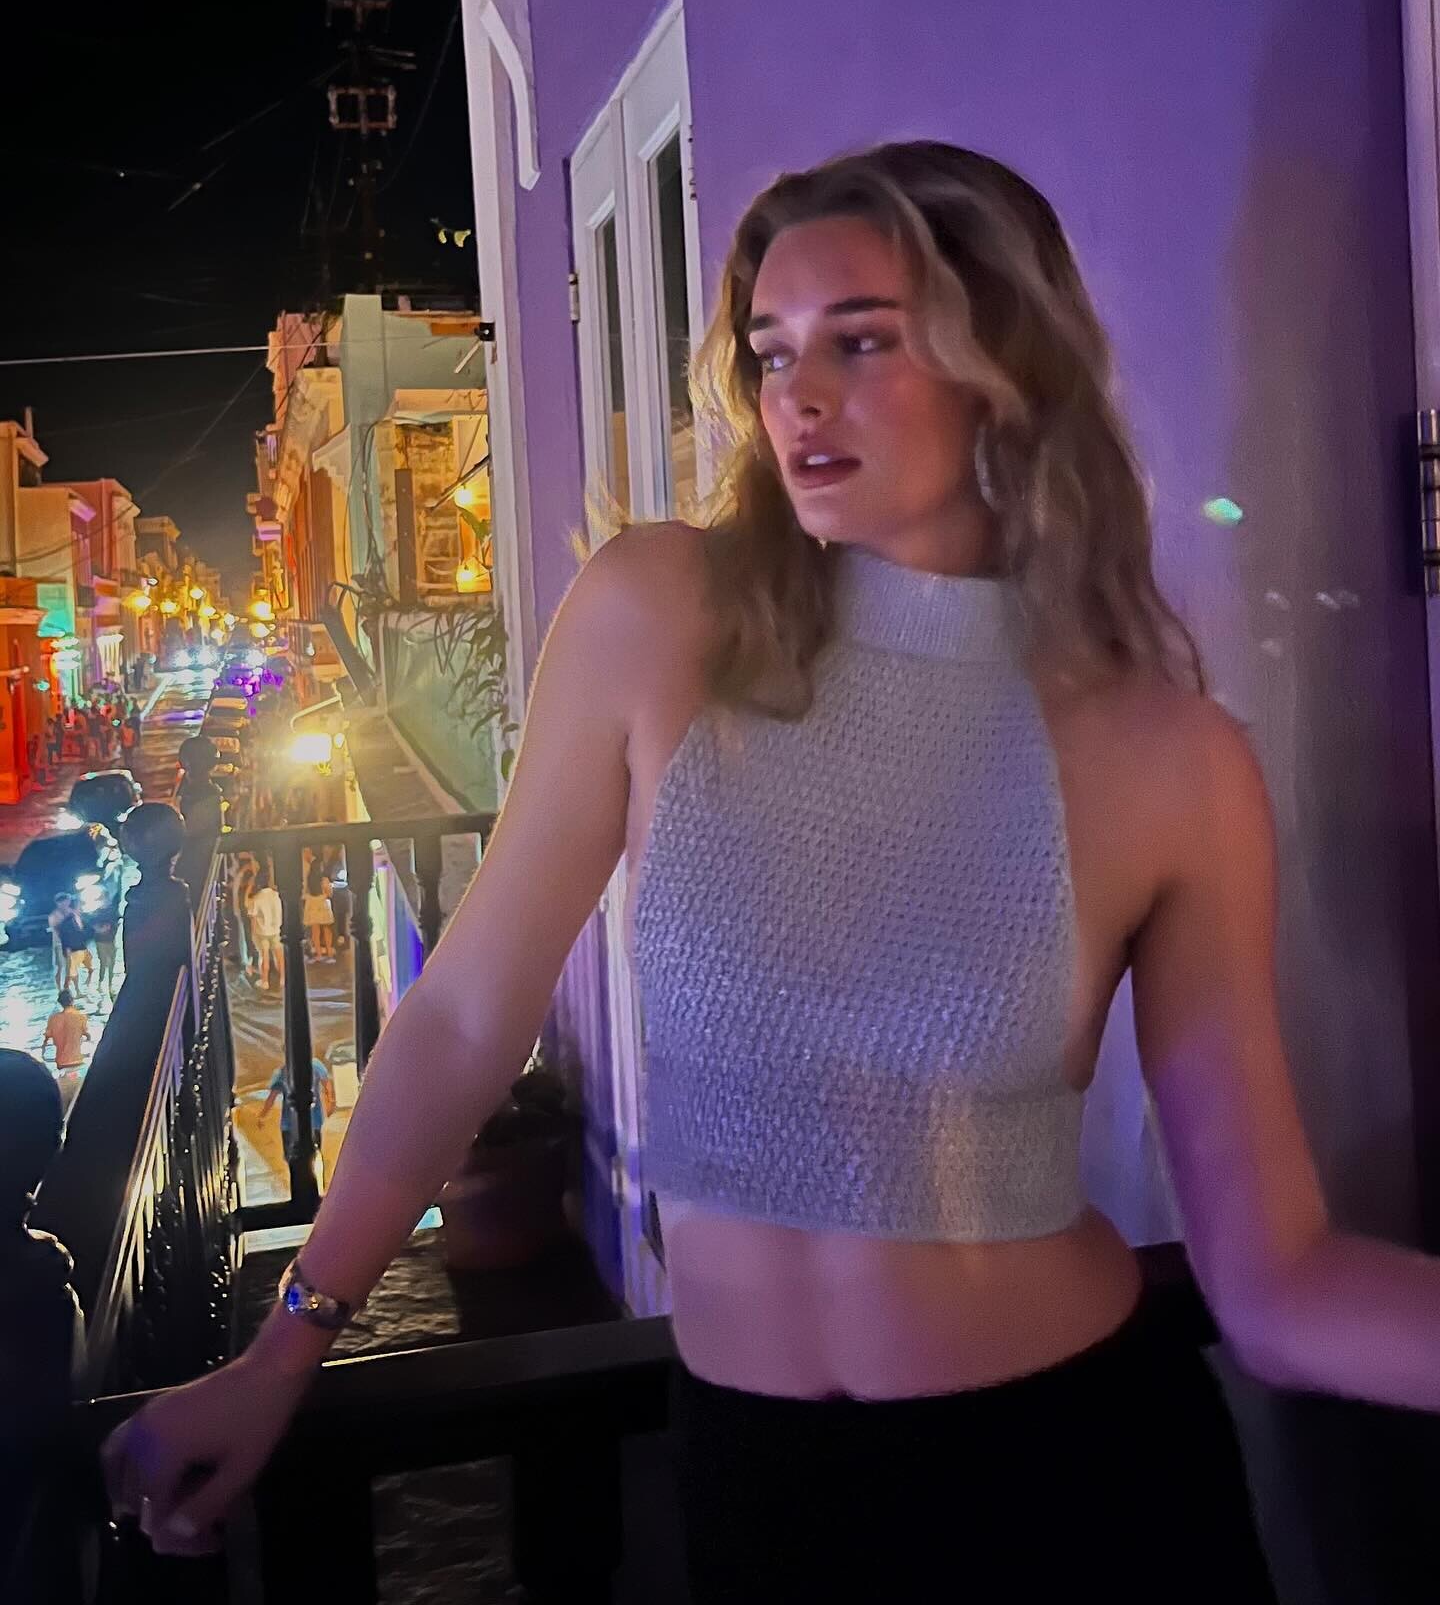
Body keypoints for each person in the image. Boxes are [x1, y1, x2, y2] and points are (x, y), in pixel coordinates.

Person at [103, 142, 1440, 1593]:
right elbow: (468, 1015)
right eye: (772, 349)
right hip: (757, 1483)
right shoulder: (659, 619)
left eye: (861, 341)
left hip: (1080, 1486)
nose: (797, 396)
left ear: (1006, 362)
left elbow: (1277, 1284)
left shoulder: (1170, 757)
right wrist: (285, 1348)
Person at [258, 1057, 334, 1168]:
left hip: (290, 1124)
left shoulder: (283, 1072)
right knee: (314, 1154)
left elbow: (272, 1098)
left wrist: (262, 1116)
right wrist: (330, 1102)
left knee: (293, 1159)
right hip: (313, 1122)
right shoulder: (316, 1066)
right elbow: (327, 1084)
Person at [40, 988, 90, 1114]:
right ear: (72, 1001)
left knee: (62, 1115)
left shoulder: (53, 1020)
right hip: (80, 1070)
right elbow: (88, 1037)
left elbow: (44, 1046)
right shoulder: (80, 1017)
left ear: (60, 1003)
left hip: (63, 1073)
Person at [248, 868, 284, 992]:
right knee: (279, 955)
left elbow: (253, 917)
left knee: (264, 956)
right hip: (276, 929)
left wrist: (252, 933)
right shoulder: (276, 895)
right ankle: (283, 978)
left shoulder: (257, 898)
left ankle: (265, 981)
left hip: (262, 931)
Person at [53, 900, 93, 996]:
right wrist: (66, 949)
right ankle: (67, 992)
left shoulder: (82, 919)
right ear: (74, 909)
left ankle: (77, 990)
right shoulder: (67, 922)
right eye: (79, 907)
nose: (81, 909)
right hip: (73, 950)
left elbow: (87, 931)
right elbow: (64, 936)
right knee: (71, 973)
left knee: (88, 968)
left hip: (82, 947)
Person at [302, 858, 334, 960]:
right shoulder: (324, 879)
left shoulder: (309, 878)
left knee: (315, 931)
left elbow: (305, 891)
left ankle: (319, 954)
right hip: (322, 902)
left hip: (311, 903)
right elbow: (329, 893)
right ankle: (329, 952)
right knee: (326, 929)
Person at [90, 902, 119, 1003]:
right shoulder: (97, 912)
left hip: (110, 941)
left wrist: (112, 927)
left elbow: (116, 922)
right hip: (101, 941)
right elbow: (92, 924)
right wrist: (100, 929)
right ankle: (100, 982)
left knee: (111, 963)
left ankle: (109, 985)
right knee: (103, 962)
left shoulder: (112, 911)